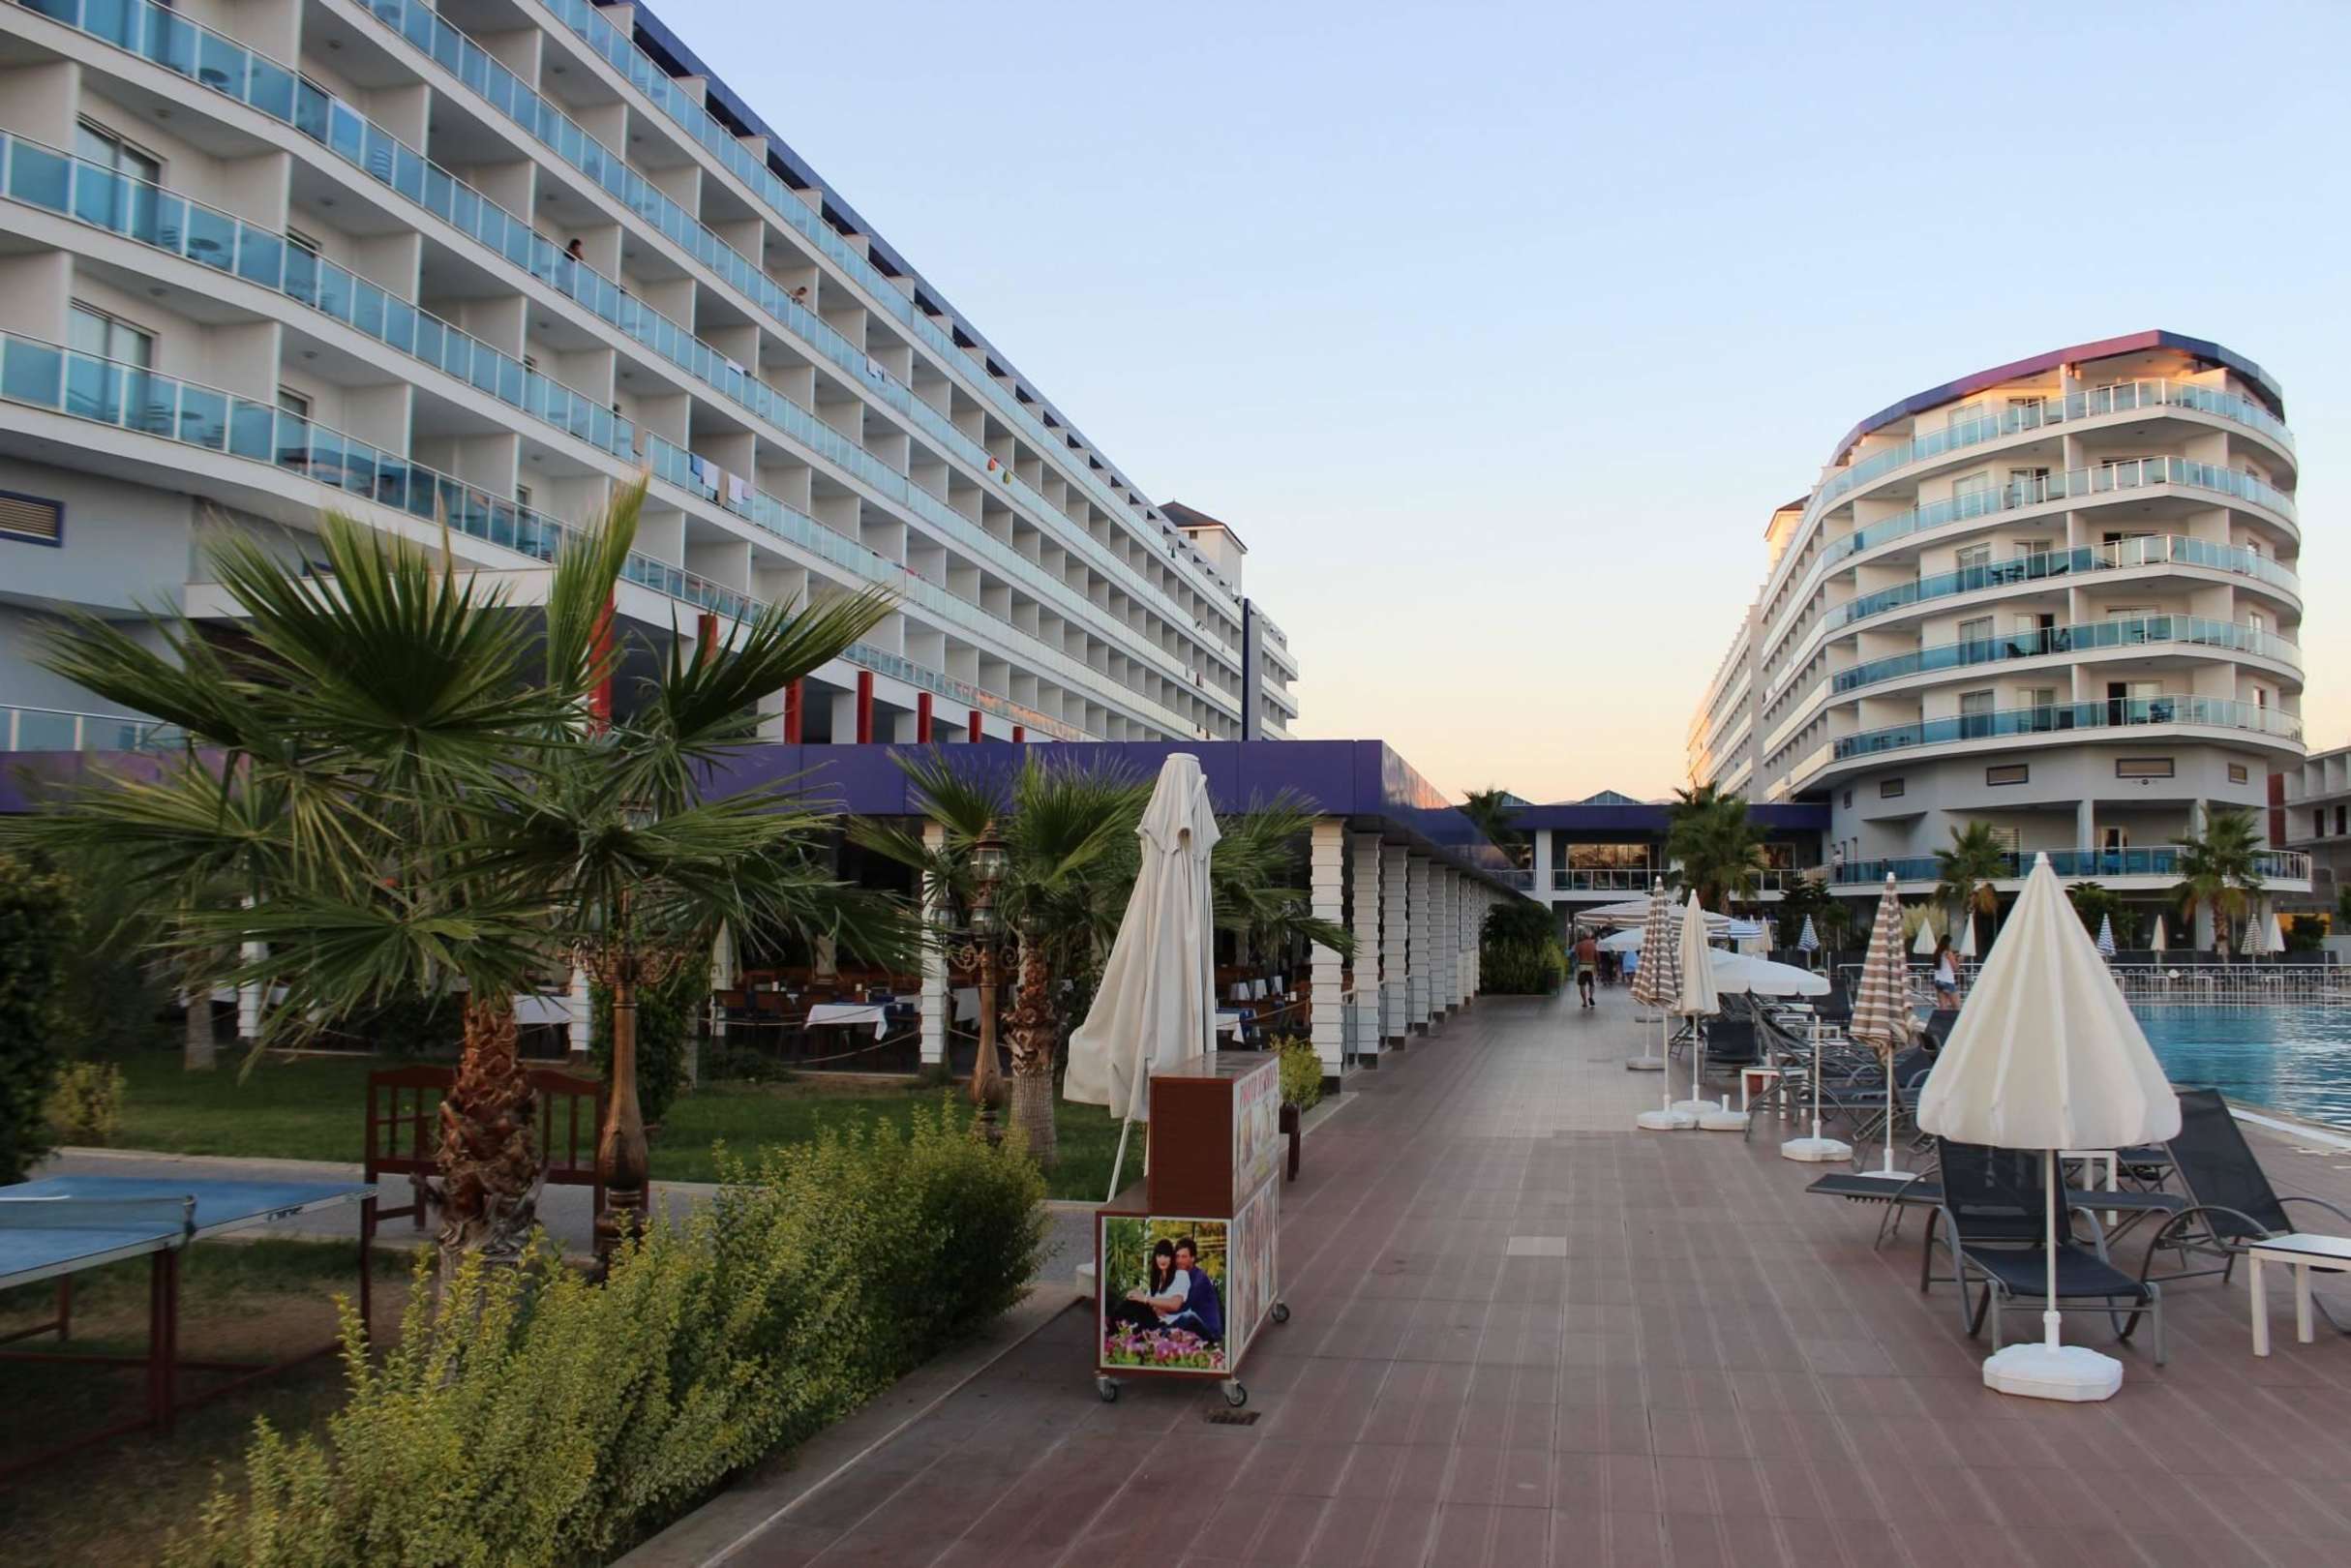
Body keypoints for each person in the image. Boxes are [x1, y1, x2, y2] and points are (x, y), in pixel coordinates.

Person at [1105, 1239, 1188, 1335]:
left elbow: (1174, 1304)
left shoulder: (1181, 1275)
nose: (1162, 1260)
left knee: (1134, 1304)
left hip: (1167, 1323)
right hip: (1151, 1319)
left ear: (1172, 1258)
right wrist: (1154, 1306)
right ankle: (1111, 1327)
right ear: (1155, 1258)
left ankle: (1110, 1326)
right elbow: (1150, 1304)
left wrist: (1145, 1299)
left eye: (1166, 1256)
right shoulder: (1157, 1279)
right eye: (1159, 1256)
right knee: (1131, 1300)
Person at [1573, 931, 1599, 1009]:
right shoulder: (1594, 945)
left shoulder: (1579, 944)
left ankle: (1585, 1002)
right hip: (1591, 965)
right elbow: (1597, 956)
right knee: (1592, 984)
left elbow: (1576, 956)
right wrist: (1597, 964)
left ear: (1583, 936)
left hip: (1582, 965)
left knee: (1582, 985)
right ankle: (1591, 996)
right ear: (1590, 937)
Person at [1933, 935, 1959, 1009]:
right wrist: (1959, 960)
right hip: (1948, 982)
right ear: (1948, 943)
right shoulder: (1948, 953)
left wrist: (1954, 957)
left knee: (1943, 1009)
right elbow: (1955, 968)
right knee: (1956, 1007)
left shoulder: (1937, 953)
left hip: (1938, 981)